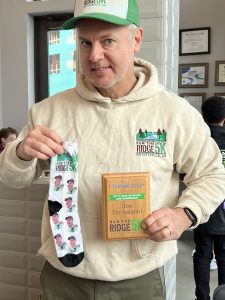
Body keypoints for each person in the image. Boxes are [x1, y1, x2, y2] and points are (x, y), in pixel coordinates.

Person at [0, 1, 225, 299]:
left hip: (138, 278)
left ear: (136, 40)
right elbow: (12, 177)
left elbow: (212, 174)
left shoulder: (175, 114)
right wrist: (20, 154)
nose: (94, 55)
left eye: (107, 40)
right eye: (85, 43)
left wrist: (186, 214)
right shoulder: (49, 111)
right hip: (64, 275)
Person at [193, 96, 225, 300]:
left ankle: (202, 297)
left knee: (202, 254)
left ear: (203, 117)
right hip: (224, 209)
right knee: (224, 257)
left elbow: (184, 173)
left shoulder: (199, 140)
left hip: (202, 206)